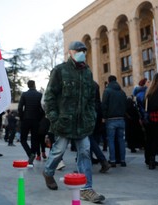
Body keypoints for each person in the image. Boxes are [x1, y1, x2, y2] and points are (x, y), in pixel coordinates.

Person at [42, 41, 105, 203]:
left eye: (84, 50)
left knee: (84, 152)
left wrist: (91, 116)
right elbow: (49, 97)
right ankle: (48, 172)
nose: (82, 53)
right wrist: (54, 118)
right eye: (78, 50)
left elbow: (91, 98)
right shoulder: (60, 71)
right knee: (58, 151)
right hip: (64, 122)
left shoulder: (87, 72)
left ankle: (86, 188)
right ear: (70, 52)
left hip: (82, 123)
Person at [102, 75, 127, 167]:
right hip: (121, 119)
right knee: (121, 140)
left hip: (111, 119)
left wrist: (104, 117)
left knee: (111, 140)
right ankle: (122, 160)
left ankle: (112, 160)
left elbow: (104, 105)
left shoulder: (107, 91)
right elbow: (126, 105)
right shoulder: (122, 92)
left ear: (108, 81)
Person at [18, 80, 43, 165]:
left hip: (26, 118)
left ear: (28, 86)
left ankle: (30, 154)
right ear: (34, 85)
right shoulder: (39, 95)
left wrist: (22, 118)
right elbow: (42, 108)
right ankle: (32, 154)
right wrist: (40, 118)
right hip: (36, 119)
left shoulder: (24, 94)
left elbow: (20, 107)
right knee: (34, 139)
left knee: (23, 139)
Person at [90, 81, 110, 173]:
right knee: (92, 139)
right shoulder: (95, 84)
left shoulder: (84, 83)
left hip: (89, 114)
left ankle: (102, 160)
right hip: (97, 114)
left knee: (88, 139)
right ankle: (91, 161)